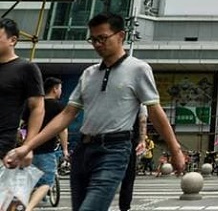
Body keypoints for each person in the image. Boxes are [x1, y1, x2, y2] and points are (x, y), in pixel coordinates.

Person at [3, 12, 185, 211]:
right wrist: (27, 146)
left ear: (120, 36)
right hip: (83, 150)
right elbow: (66, 115)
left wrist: (175, 150)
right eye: (93, 39)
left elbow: (155, 111)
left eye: (103, 38)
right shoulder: (88, 74)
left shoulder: (138, 69)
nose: (98, 44)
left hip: (114, 150)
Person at [0, 18, 45, 164]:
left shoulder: (26, 68)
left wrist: (28, 146)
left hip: (3, 142)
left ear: (12, 40)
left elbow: (37, 107)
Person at [23, 77, 69, 211]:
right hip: (46, 150)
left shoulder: (34, 105)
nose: (60, 91)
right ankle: (29, 207)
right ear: (55, 89)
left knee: (28, 180)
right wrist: (65, 149)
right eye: (60, 88)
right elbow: (62, 130)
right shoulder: (59, 107)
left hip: (28, 149)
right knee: (47, 181)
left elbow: (22, 125)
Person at [119, 104, 148, 211]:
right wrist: (142, 140)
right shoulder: (140, 105)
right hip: (130, 140)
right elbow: (143, 121)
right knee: (128, 177)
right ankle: (125, 207)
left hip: (109, 139)